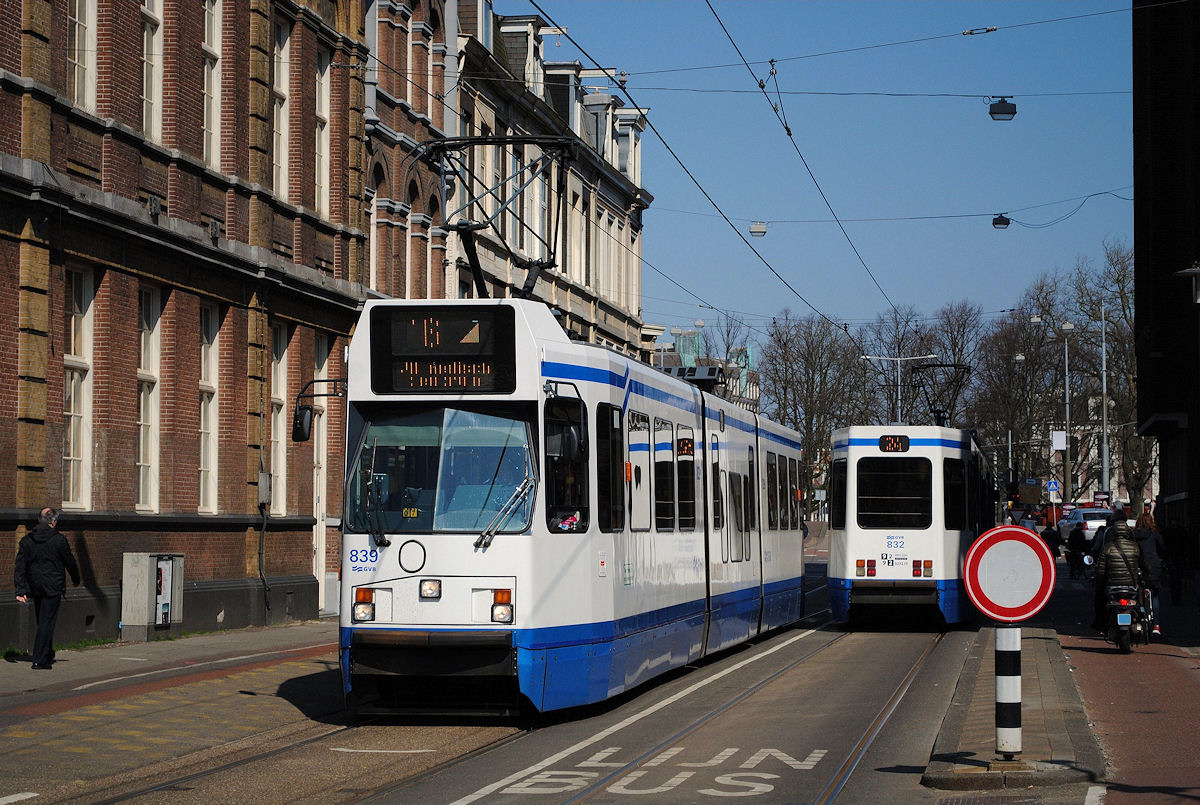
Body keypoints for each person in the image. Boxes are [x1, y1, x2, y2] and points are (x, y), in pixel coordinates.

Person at [14, 507, 80, 669]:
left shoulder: (27, 540)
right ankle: (39, 659)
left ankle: (48, 653)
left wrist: (20, 589)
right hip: (53, 586)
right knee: (47, 622)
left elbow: (20, 566)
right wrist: (76, 578)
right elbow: (69, 561)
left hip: (35, 586)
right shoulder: (59, 540)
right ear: (53, 522)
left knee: (42, 620)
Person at [1092, 518, 1150, 633]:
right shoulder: (1135, 547)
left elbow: (1101, 571)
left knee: (1100, 601)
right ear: (1127, 532)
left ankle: (1101, 624)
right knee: (1141, 601)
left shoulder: (1107, 548)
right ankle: (1144, 621)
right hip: (1131, 586)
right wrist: (1146, 574)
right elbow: (1145, 565)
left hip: (1113, 587)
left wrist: (1100, 582)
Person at [1132, 509, 1167, 635]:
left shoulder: (1135, 535)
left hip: (1139, 567)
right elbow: (1163, 548)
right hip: (1154, 567)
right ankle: (1156, 625)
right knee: (1155, 595)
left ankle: (1140, 616)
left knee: (1138, 593)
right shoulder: (1154, 534)